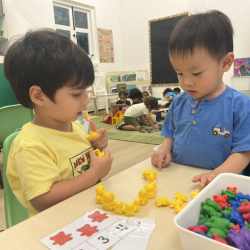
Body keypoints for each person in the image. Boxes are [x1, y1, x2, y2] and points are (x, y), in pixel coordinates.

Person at [4, 29, 113, 217]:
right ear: (39, 96)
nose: (86, 100)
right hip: (57, 227)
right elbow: (43, 200)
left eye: (86, 91)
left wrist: (97, 146)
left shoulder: (74, 125)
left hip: (88, 214)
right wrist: (94, 174)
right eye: (77, 93)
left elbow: (79, 163)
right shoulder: (30, 146)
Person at [151, 10, 250, 188]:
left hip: (221, 186)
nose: (186, 82)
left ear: (225, 63)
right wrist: (164, 149)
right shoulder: (179, 102)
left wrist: (216, 176)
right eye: (179, 73)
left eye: (196, 73)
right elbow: (171, 134)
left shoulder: (240, 105)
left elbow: (244, 153)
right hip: (178, 180)